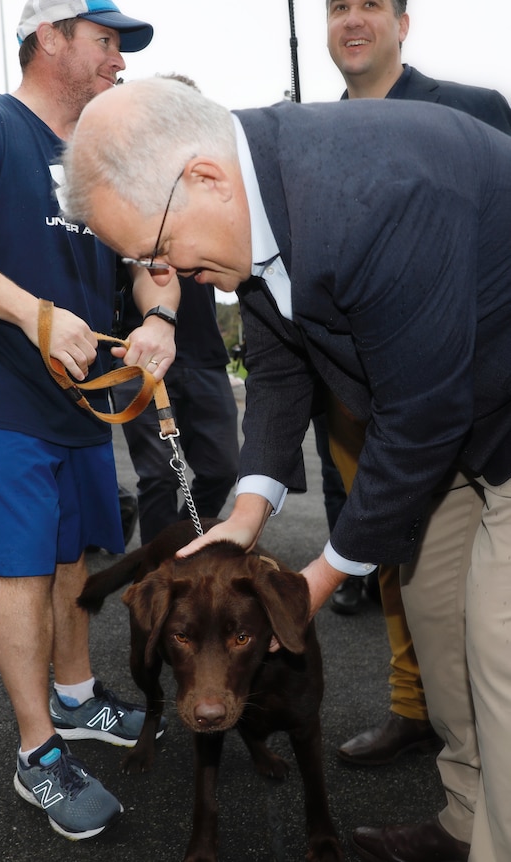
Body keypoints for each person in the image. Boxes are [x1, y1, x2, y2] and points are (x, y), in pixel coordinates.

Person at [60, 76, 511, 862]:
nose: (162, 277)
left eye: (159, 251)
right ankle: (470, 815)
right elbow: (277, 368)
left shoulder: (372, 198)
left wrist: (322, 577)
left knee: (501, 652)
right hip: (454, 431)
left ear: (201, 177)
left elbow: (420, 417)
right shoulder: (255, 205)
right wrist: (243, 514)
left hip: (479, 419)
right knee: (441, 629)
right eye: (142, 262)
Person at [0, 0, 174, 843]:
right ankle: (36, 752)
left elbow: (153, 258)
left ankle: (79, 700)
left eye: (122, 47)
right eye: (105, 41)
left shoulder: (104, 155)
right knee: (21, 569)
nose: (118, 62)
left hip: (82, 407)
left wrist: (159, 317)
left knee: (74, 561)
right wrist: (35, 313)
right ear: (48, 37)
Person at [324, 0, 511, 779]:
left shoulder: (475, 111)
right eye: (338, 6)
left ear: (405, 22)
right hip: (355, 401)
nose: (352, 18)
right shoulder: (312, 133)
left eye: (370, 3)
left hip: (483, 397)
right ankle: (417, 711)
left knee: (484, 607)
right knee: (398, 563)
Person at [110, 75, 240, 545]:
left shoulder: (213, 185)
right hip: (139, 357)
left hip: (205, 355)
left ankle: (180, 545)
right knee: (160, 477)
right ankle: (156, 580)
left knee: (224, 468)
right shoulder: (124, 191)